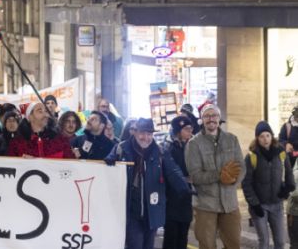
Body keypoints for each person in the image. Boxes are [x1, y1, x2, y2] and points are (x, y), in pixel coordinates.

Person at [105, 118, 189, 249]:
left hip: (153, 212)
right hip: (131, 211)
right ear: (135, 132)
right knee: (135, 244)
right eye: (142, 133)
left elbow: (173, 170)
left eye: (149, 134)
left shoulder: (160, 151)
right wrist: (109, 162)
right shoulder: (121, 148)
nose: (146, 137)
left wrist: (183, 187)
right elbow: (108, 171)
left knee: (149, 246)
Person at [185, 105, 245, 249]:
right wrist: (220, 175)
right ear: (201, 120)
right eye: (207, 116)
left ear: (219, 119)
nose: (211, 119)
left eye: (214, 115)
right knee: (207, 245)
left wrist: (233, 181)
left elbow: (241, 168)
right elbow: (195, 176)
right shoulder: (193, 144)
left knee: (234, 244)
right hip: (205, 205)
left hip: (230, 204)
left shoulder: (232, 139)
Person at [243, 121, 295, 249]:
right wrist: (254, 204)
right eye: (261, 136)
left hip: (276, 204)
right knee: (264, 242)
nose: (265, 139)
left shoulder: (281, 153)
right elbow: (246, 183)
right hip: (259, 206)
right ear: (257, 138)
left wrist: (288, 188)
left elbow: (289, 173)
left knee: (280, 241)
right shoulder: (251, 157)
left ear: (272, 136)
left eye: (267, 135)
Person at [162, 116, 194, 249]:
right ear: (177, 130)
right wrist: (185, 178)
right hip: (172, 199)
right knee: (171, 237)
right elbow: (170, 173)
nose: (190, 132)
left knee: (183, 237)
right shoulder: (168, 148)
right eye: (186, 129)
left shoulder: (190, 146)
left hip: (186, 198)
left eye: (191, 129)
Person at [8, 102, 75, 159]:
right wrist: (22, 162)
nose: (45, 115)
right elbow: (11, 167)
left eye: (46, 111)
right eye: (40, 111)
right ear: (29, 117)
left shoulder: (60, 139)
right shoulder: (17, 143)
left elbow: (70, 163)